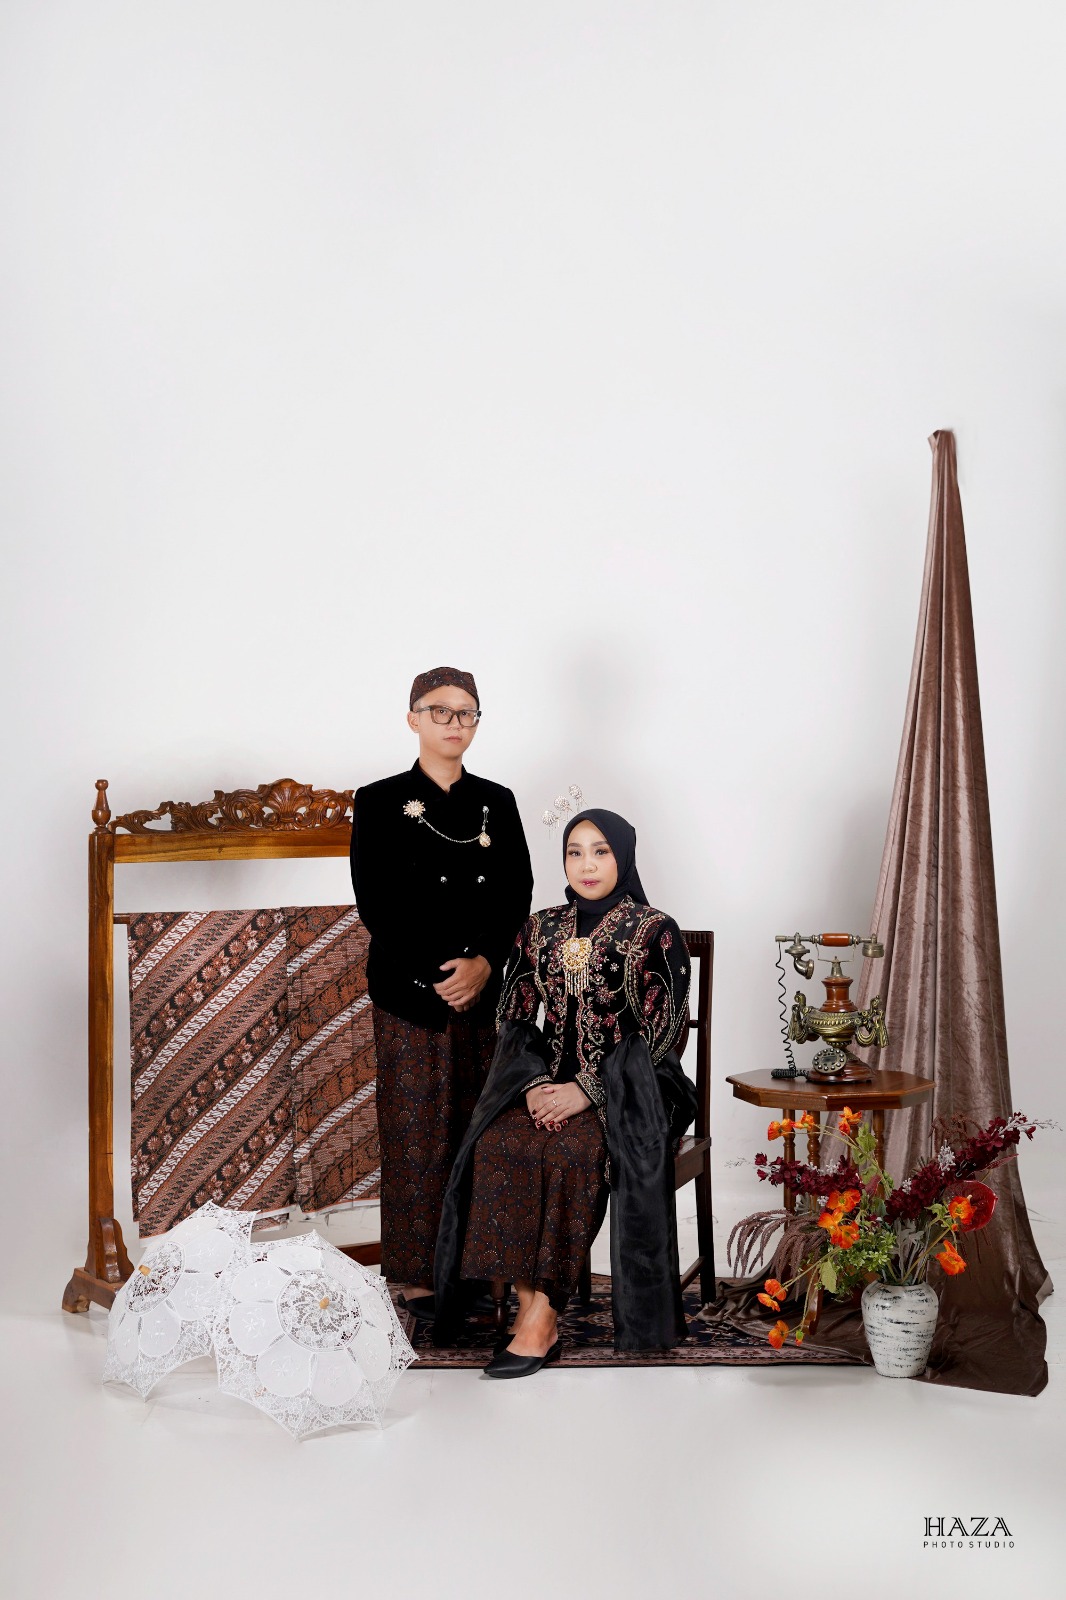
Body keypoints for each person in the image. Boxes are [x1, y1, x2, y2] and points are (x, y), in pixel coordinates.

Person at [433, 809, 696, 1376]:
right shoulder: (540, 927)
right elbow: (515, 1015)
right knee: (499, 1143)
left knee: (573, 1151)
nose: (587, 864)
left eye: (600, 851)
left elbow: (664, 1033)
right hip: (547, 1083)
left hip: (639, 1089)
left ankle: (542, 1317)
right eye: (575, 852)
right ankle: (530, 1306)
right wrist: (532, 1086)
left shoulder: (655, 929)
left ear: (623, 856)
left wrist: (590, 1090)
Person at [350, 667, 533, 1313]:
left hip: (485, 993)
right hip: (409, 993)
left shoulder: (497, 800)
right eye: (441, 711)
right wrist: (440, 975)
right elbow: (376, 903)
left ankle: (481, 1268)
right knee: (417, 1135)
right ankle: (420, 1275)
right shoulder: (378, 800)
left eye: (467, 712)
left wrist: (484, 963)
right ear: (413, 719)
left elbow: (516, 892)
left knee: (483, 1129)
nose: (455, 723)